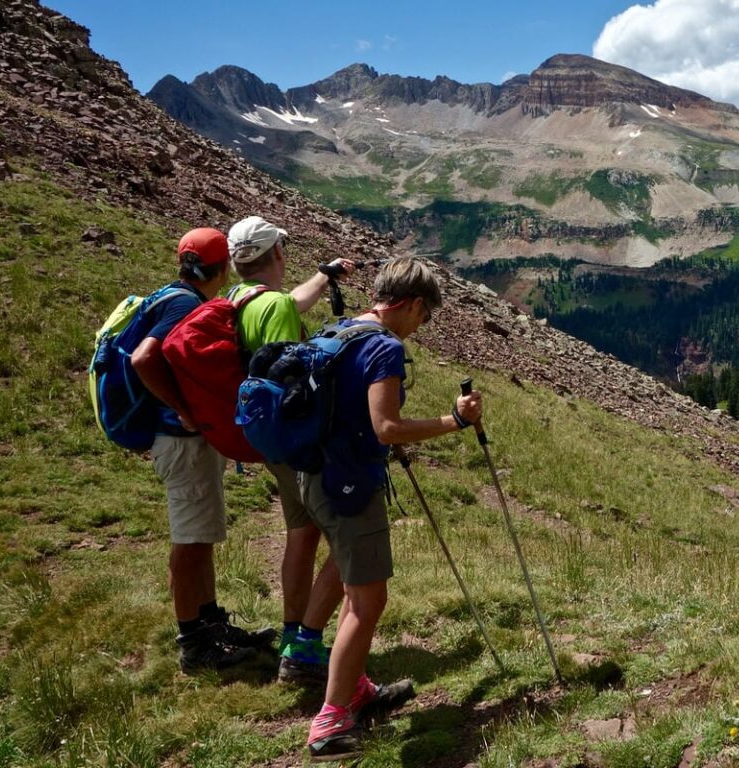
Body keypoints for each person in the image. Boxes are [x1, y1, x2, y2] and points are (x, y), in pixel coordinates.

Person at [304, 257, 481, 762]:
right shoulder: (384, 347)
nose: (422, 327)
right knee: (368, 601)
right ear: (414, 305)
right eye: (425, 317)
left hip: (314, 475)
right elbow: (387, 427)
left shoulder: (343, 328)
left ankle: (355, 688)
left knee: (352, 589)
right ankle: (331, 722)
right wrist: (454, 422)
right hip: (349, 484)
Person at [130, 227, 276, 672]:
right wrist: (182, 410)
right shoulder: (184, 304)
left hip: (182, 441)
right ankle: (194, 644)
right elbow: (143, 358)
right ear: (223, 267)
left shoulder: (170, 295)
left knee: (200, 536)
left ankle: (210, 622)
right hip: (181, 441)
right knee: (191, 540)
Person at [225, 215, 354, 686]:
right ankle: (306, 646)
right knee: (348, 535)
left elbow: (287, 303)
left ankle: (290, 631)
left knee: (301, 534)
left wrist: (325, 275)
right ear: (276, 253)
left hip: (266, 436)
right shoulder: (275, 306)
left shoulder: (240, 299)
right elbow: (294, 379)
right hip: (299, 440)